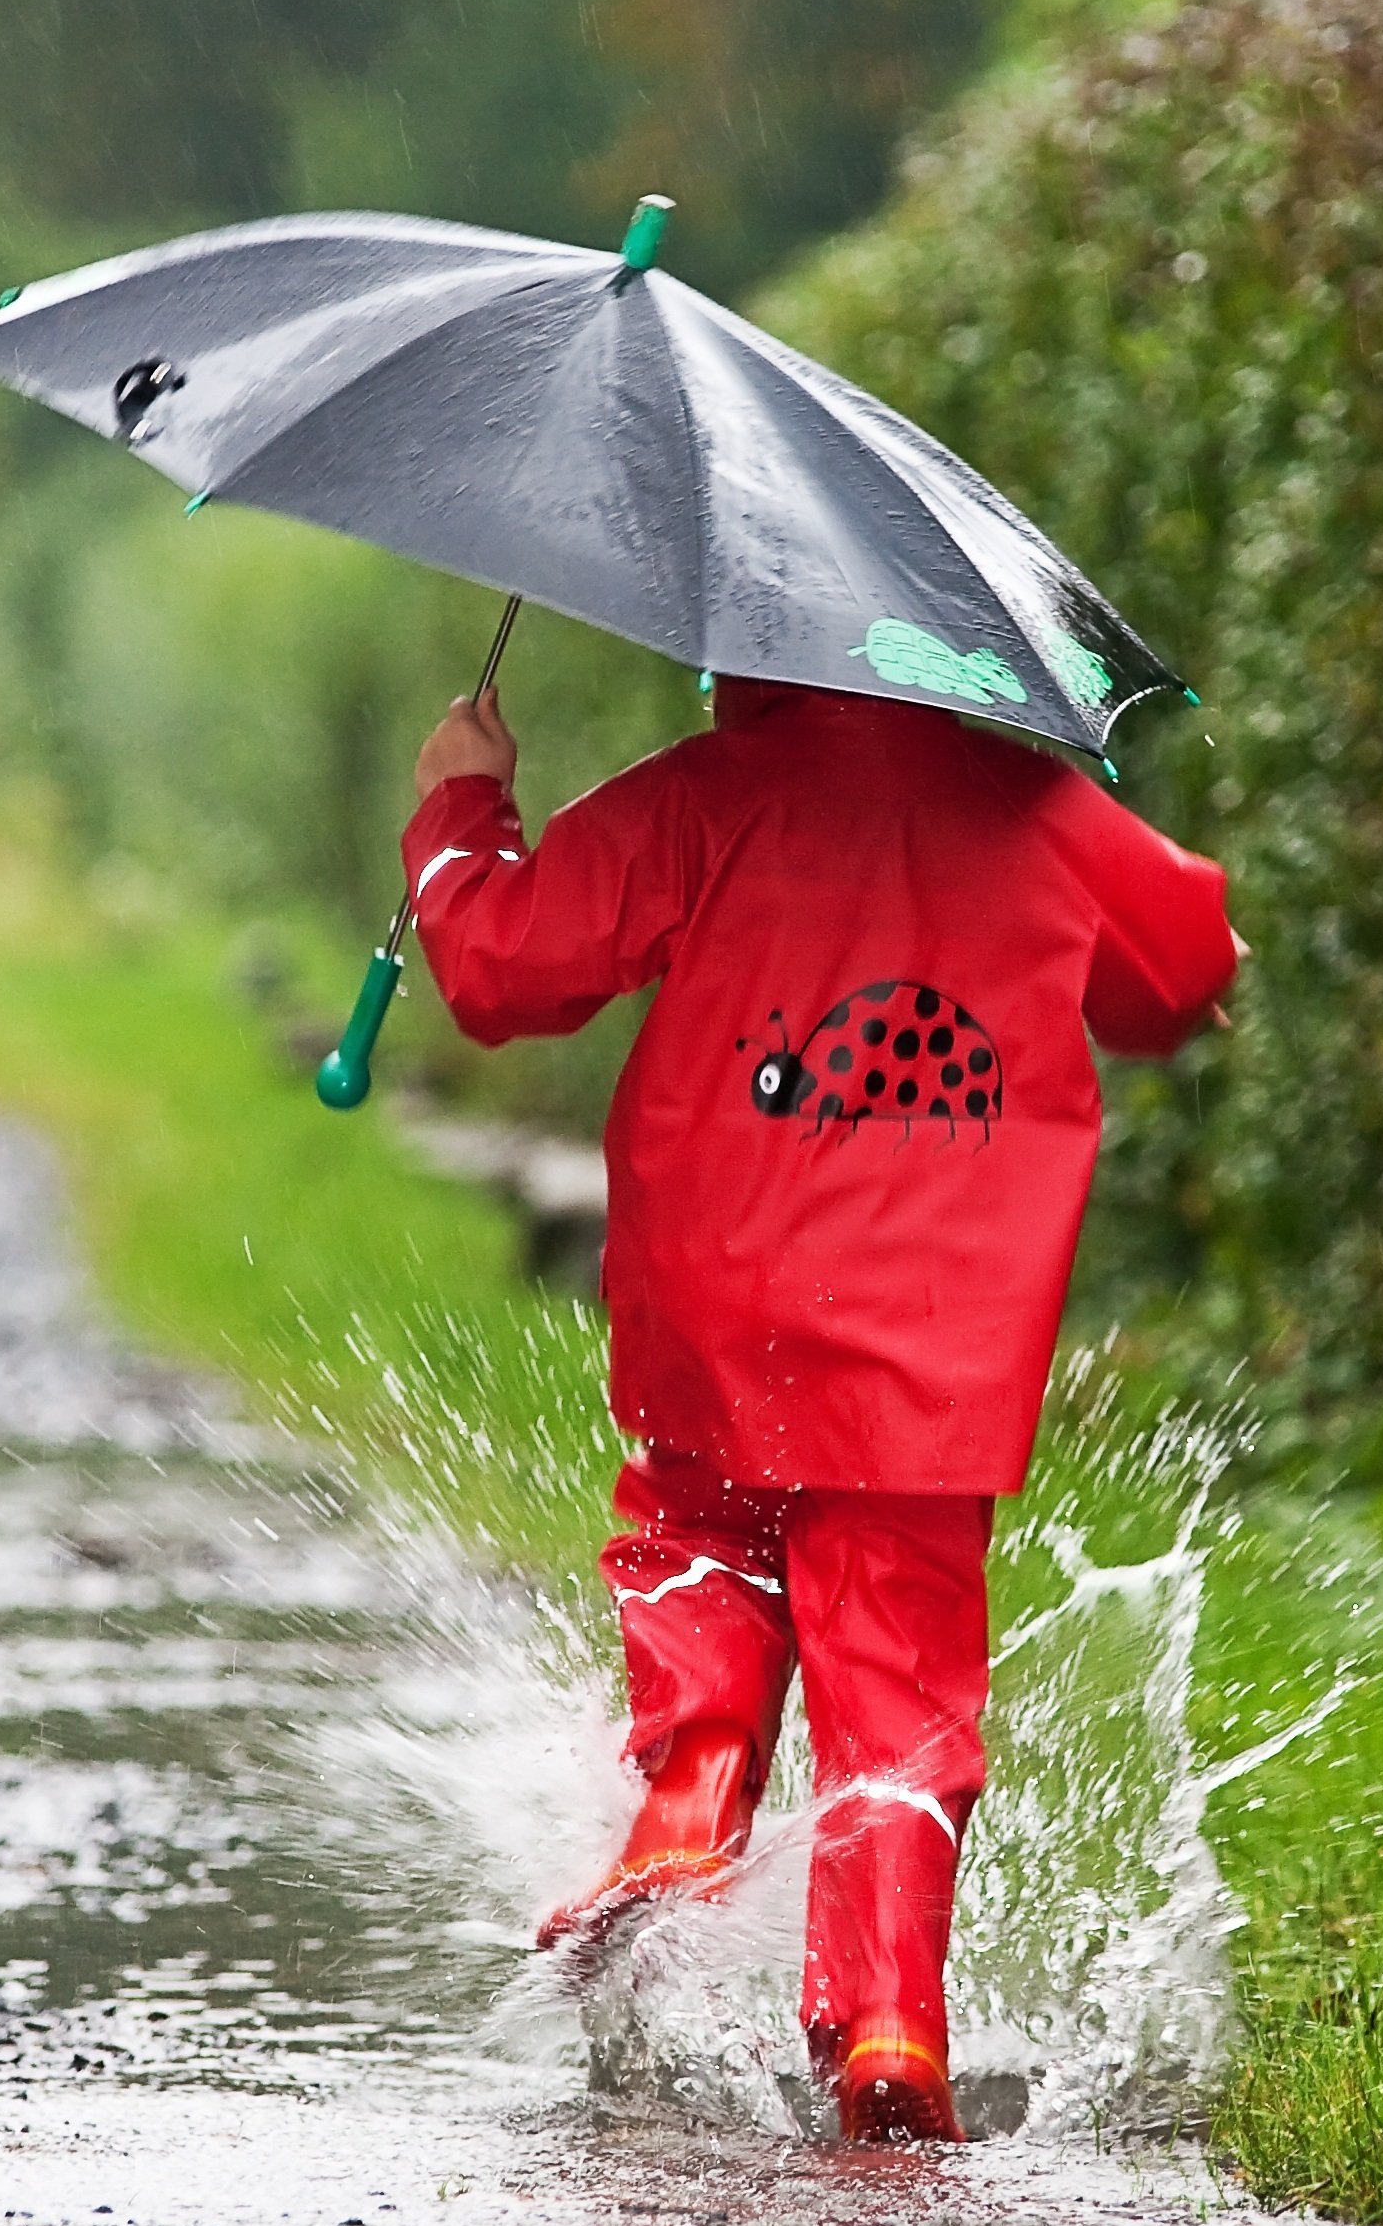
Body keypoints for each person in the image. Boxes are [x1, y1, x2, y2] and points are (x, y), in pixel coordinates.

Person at [399, 663, 1238, 2147]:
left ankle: (692, 1789)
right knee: (902, 1685)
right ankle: (894, 2019)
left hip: (719, 1305)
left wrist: (460, 809)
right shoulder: (1036, 811)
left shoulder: (701, 798)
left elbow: (500, 967)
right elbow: (1176, 969)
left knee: (698, 1535)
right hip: (933, 1353)